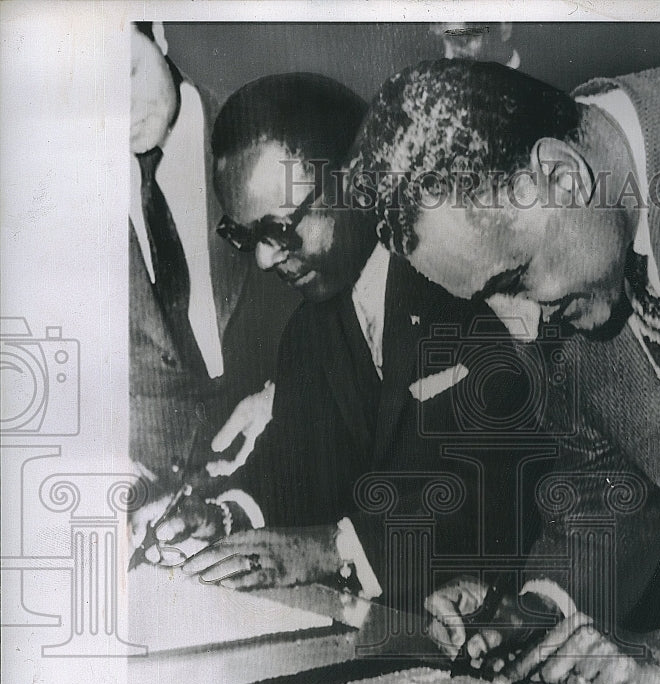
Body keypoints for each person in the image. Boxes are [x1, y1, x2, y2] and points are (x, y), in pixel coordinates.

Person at [350, 51, 660, 684]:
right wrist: (536, 612)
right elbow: (603, 477)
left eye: (512, 280)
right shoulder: (572, 263)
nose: (519, 325)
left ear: (561, 175)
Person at [162, 73, 538, 612]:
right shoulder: (313, 327)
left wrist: (332, 550)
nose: (265, 259)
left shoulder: (467, 280)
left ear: (357, 181)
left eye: (280, 228)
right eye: (246, 237)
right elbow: (299, 460)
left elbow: (496, 484)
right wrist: (228, 514)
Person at [129, 22, 275, 541]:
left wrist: (283, 393)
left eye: (128, 74)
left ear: (160, 34)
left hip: (266, 488)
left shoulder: (261, 133)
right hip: (141, 509)